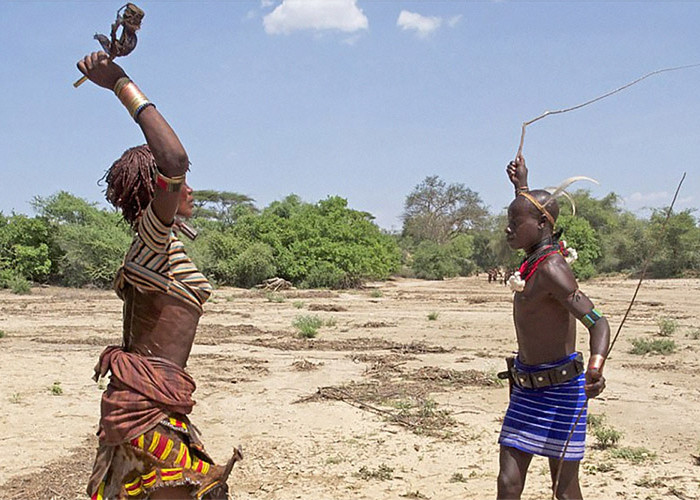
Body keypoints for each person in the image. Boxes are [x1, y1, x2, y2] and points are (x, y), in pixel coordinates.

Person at [78, 52, 242, 500]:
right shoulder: (152, 237)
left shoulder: (155, 248)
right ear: (156, 190)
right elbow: (175, 159)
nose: (188, 188)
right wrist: (120, 83)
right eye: (175, 186)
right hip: (147, 405)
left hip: (150, 400)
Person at [496, 154, 610, 500]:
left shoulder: (552, 269)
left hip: (562, 393)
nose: (508, 228)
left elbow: (597, 322)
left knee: (563, 488)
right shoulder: (533, 261)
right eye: (509, 220)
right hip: (526, 387)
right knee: (508, 482)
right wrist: (522, 187)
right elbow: (532, 211)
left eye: (515, 222)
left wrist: (595, 366)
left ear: (543, 225)